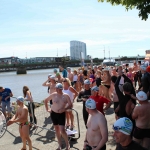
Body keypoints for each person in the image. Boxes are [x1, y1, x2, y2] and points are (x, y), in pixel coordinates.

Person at [44, 83, 72, 150]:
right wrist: (47, 109)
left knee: (62, 130)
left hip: (61, 114)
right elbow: (45, 100)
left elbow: (70, 104)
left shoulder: (66, 96)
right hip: (53, 113)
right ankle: (60, 144)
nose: (56, 90)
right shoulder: (54, 94)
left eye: (58, 89)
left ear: (61, 89)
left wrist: (64, 109)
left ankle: (67, 144)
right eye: (56, 89)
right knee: (56, 129)